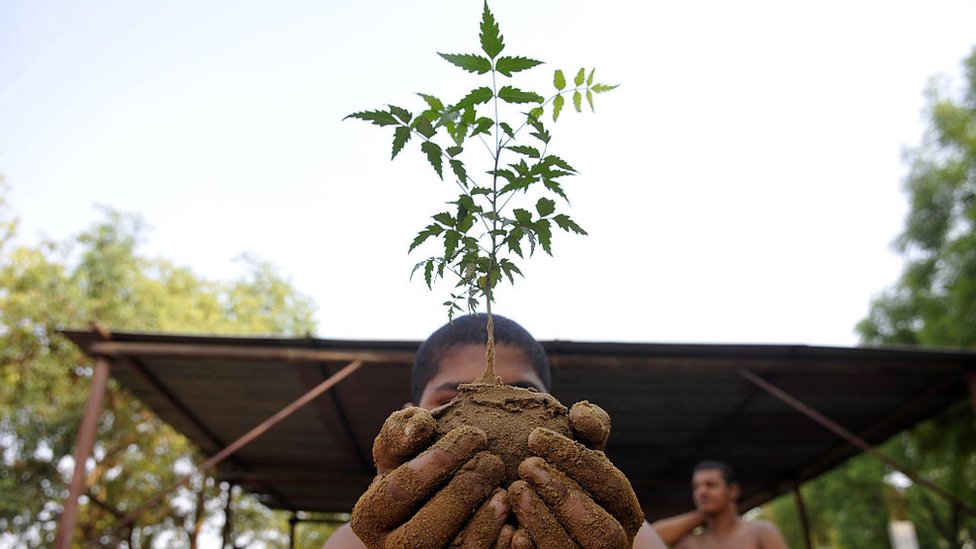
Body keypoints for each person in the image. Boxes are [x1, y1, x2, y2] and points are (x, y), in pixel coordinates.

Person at [325, 313, 666, 548]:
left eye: (523, 395)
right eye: (454, 398)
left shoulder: (630, 540)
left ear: (566, 419)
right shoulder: (355, 541)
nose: (484, 420)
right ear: (406, 420)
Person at [651, 460, 788, 549]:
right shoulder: (691, 544)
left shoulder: (760, 532)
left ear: (733, 490)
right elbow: (649, 537)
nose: (702, 492)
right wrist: (702, 514)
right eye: (696, 487)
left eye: (710, 485)